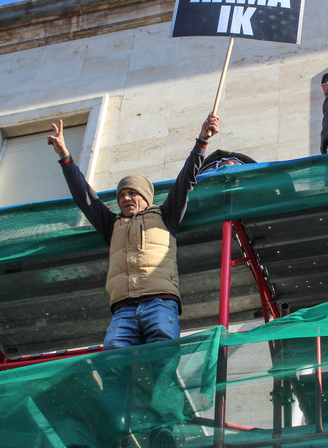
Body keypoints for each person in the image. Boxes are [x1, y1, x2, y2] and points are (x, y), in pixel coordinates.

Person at [48, 113, 219, 446]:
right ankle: (110, 431)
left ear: (145, 197)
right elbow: (84, 196)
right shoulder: (111, 225)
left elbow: (186, 180)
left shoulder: (165, 215)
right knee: (113, 365)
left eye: (132, 193)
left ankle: (163, 430)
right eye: (121, 194)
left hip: (160, 303)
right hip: (123, 311)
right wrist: (65, 157)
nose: (125, 198)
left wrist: (202, 140)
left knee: (163, 363)